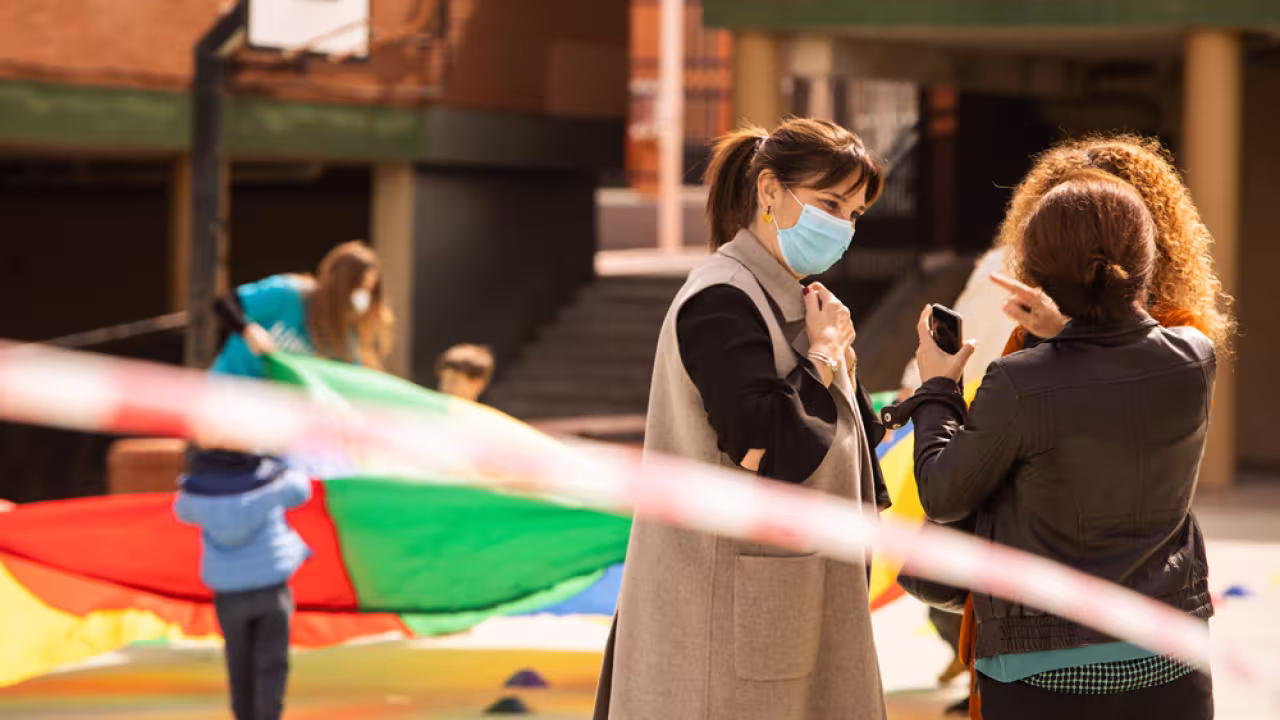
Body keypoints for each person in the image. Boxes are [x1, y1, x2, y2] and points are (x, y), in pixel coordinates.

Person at [593, 118, 891, 720]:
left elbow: (847, 441)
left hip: (788, 603)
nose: (843, 227)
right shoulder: (723, 298)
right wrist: (824, 353)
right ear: (769, 190)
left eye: (855, 214)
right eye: (830, 204)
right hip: (730, 617)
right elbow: (768, 444)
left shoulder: (800, 303)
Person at [891, 171, 1216, 719]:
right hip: (1169, 651)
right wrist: (1063, 331)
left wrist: (938, 390)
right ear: (1147, 259)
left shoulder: (1018, 380)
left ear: (1036, 274)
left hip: (1040, 665)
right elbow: (1109, 368)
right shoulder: (1195, 357)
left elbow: (944, 495)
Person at [173, 448, 312, 720]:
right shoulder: (272, 483)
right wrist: (279, 460)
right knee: (272, 662)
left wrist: (200, 474)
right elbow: (300, 491)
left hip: (228, 592)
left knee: (238, 661)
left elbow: (181, 512)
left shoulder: (199, 493)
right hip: (271, 586)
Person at [212, 240, 394, 378]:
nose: (362, 297)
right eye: (358, 288)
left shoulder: (344, 333)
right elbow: (225, 303)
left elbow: (351, 378)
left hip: (271, 407)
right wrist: (248, 330)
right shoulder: (288, 293)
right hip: (230, 387)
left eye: (368, 291)